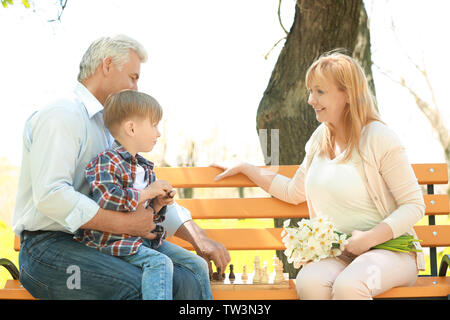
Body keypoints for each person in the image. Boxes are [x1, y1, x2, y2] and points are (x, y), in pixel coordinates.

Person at [13, 34, 230, 300]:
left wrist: (198, 238)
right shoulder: (64, 114)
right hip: (49, 249)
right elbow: (51, 195)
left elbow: (147, 193)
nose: (136, 88)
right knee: (144, 285)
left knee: (186, 277)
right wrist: (125, 223)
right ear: (106, 66)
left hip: (95, 241)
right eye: (133, 77)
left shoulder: (114, 128)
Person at [212, 51, 425, 300]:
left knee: (350, 285)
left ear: (347, 94)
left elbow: (413, 205)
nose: (311, 100)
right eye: (310, 91)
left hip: (391, 253)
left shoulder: (378, 137)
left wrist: (369, 239)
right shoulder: (319, 139)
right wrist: (248, 168)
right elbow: (294, 192)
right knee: (309, 282)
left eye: (320, 92)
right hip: (341, 255)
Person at [73, 90, 213, 300]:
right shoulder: (106, 161)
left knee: (197, 264)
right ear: (131, 128)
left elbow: (147, 218)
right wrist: (147, 193)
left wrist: (157, 204)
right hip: (113, 242)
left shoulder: (145, 168)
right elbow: (107, 198)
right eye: (154, 125)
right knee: (160, 263)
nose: (158, 133)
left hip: (144, 241)